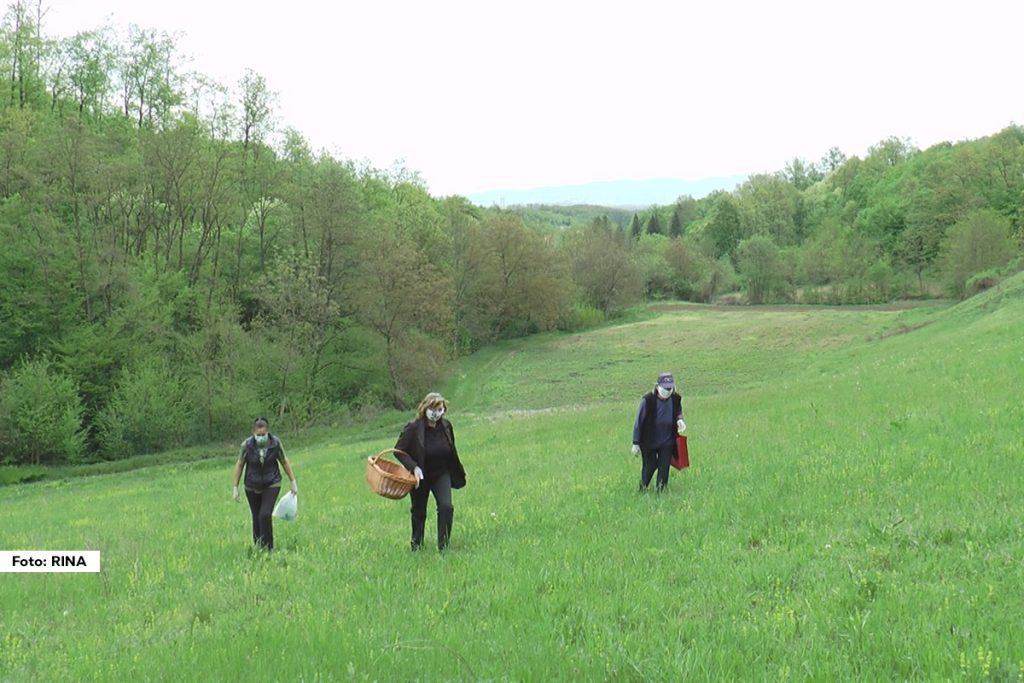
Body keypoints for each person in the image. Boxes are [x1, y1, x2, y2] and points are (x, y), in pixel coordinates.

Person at [394, 392, 466, 551]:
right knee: (419, 511)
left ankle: (444, 547)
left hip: (441, 473)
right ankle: (416, 545)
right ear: (425, 408)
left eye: (440, 409)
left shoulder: (446, 426)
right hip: (420, 476)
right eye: (433, 409)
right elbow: (398, 451)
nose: (437, 413)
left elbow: (451, 448)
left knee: (446, 507)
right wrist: (414, 467)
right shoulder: (413, 428)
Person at [232, 417, 297, 552]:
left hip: (272, 482)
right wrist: (235, 487)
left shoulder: (275, 443)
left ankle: (269, 547)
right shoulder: (246, 446)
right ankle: (259, 546)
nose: (261, 437)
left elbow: (284, 461)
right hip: (252, 484)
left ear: (268, 432)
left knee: (265, 514)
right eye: (258, 435)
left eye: (263, 435)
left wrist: (293, 482)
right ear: (253, 433)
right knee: (256, 516)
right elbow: (239, 465)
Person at [631, 372, 686, 492]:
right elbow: (638, 422)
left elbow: (678, 411)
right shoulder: (648, 400)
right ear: (657, 386)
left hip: (667, 440)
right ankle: (643, 487)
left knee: (664, 466)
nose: (667, 390)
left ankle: (661, 490)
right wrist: (635, 442)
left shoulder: (676, 398)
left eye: (669, 388)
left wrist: (680, 420)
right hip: (648, 440)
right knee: (650, 465)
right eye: (665, 388)